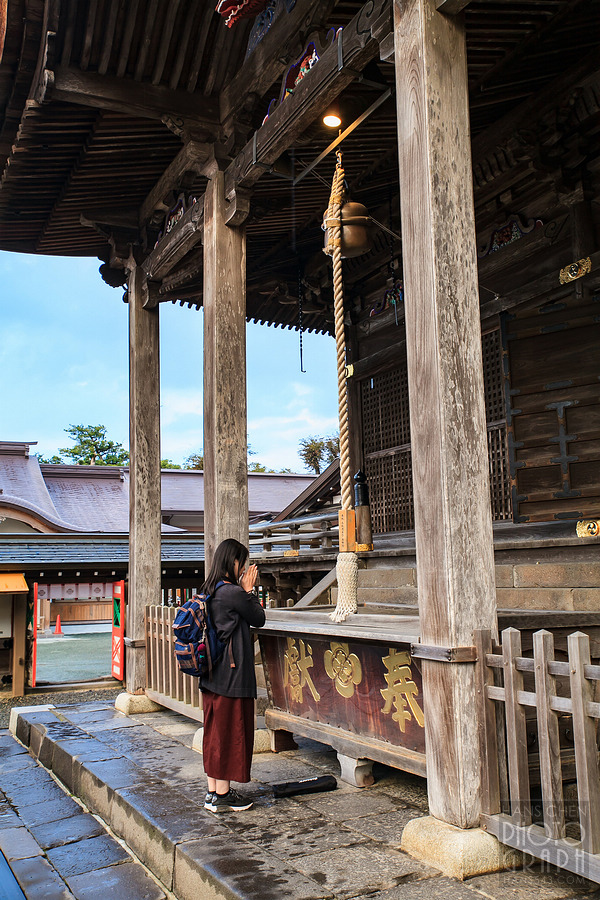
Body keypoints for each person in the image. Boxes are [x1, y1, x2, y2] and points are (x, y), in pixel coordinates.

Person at [199, 537, 265, 812]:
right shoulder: (233, 592)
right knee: (229, 733)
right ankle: (224, 796)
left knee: (214, 732)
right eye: (242, 563)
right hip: (232, 675)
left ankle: (214, 791)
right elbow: (258, 618)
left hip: (212, 673)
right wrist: (249, 590)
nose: (244, 569)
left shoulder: (209, 588)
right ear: (234, 561)